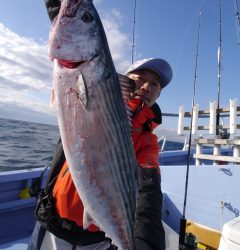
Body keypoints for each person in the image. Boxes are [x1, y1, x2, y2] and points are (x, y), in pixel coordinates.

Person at [28, 1, 173, 250]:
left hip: (98, 240)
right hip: (50, 225)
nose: (148, 86)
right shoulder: (91, 80)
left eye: (155, 84)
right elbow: (65, 18)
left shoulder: (148, 141)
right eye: (142, 78)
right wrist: (69, 13)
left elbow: (148, 189)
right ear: (126, 79)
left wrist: (147, 244)